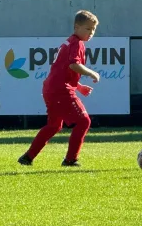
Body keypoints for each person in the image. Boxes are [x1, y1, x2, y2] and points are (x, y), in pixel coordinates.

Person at [18, 10, 101, 167]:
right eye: (88, 29)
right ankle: (70, 159)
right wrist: (92, 73)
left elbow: (63, 71)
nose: (91, 33)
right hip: (60, 90)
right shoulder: (76, 43)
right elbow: (73, 65)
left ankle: (27, 157)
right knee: (83, 121)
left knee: (54, 125)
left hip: (52, 88)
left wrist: (79, 86)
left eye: (93, 29)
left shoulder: (70, 42)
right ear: (76, 27)